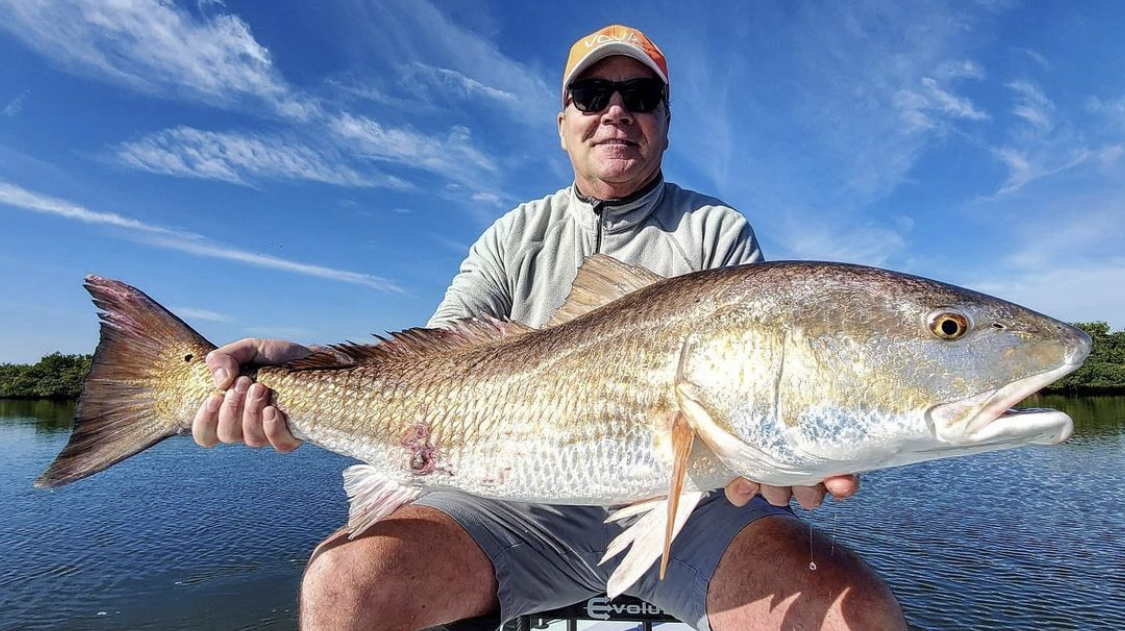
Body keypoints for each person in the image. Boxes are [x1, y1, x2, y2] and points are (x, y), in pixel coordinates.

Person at [192, 24, 907, 631]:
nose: (616, 112)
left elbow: (757, 401)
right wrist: (306, 369)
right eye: (592, 96)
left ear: (663, 120)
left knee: (857, 614)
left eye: (641, 96)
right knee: (343, 585)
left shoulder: (714, 230)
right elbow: (432, 363)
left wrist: (785, 455)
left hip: (684, 506)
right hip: (513, 500)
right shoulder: (513, 235)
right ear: (563, 122)